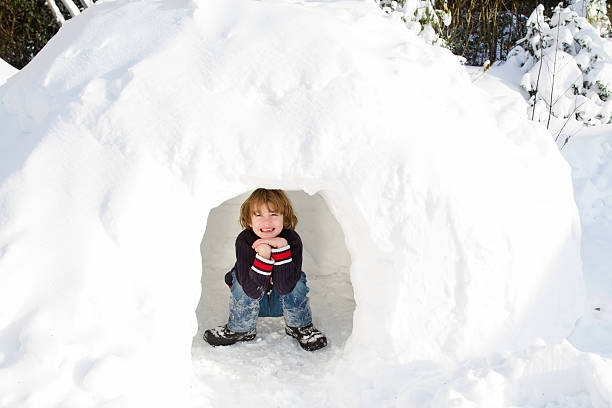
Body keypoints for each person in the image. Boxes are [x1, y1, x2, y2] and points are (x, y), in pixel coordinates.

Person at [203, 188, 327, 351]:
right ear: (249, 221)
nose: (266, 222)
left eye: (274, 214)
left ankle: (299, 326)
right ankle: (241, 327)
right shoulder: (244, 241)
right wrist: (263, 256)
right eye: (258, 215)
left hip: (282, 304)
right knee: (238, 277)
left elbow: (285, 287)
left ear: (285, 217)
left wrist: (282, 250)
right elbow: (253, 291)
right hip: (253, 303)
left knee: (296, 278)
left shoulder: (292, 240)